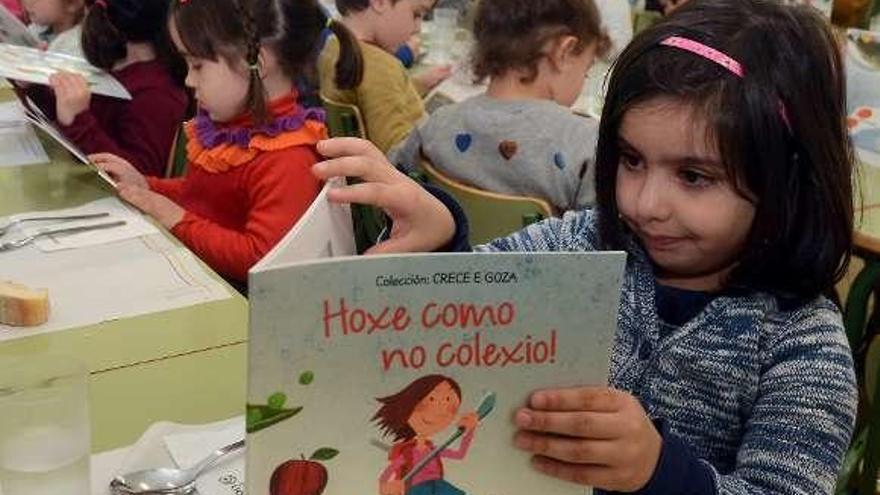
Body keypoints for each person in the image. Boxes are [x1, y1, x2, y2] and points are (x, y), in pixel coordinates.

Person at [312, 0, 858, 492]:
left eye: (694, 176)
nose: (646, 204)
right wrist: (437, 241)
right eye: (631, 159)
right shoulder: (580, 243)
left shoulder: (802, 343)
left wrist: (659, 472)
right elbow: (463, 314)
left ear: (786, 178)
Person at [92, 0, 327, 287]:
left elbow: (260, 259)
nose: (189, 80)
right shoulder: (228, 130)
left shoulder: (288, 157)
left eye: (198, 66)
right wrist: (147, 185)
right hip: (203, 280)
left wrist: (174, 217)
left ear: (257, 63)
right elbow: (203, 197)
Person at [390, 0, 609, 212]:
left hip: (440, 247)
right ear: (564, 52)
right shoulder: (588, 145)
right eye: (586, 70)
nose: (584, 80)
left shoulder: (435, 126)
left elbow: (391, 179)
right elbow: (601, 240)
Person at [37, 0, 188, 177]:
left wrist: (78, 120)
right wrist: (36, 86)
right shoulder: (117, 64)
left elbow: (139, 176)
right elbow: (73, 119)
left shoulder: (156, 93)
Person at [319, 0, 451, 152]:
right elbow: (397, 152)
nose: (418, 28)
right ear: (380, 2)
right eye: (416, 14)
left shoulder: (333, 45)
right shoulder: (380, 67)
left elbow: (374, 99)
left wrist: (420, 84)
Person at [374, 375, 479, 495]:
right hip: (419, 489)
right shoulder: (408, 453)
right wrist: (385, 486)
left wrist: (470, 431)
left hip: (438, 486)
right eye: (431, 399)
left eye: (448, 400)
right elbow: (388, 472)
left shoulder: (434, 450)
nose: (440, 410)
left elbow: (459, 454)